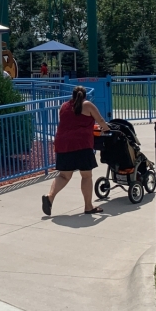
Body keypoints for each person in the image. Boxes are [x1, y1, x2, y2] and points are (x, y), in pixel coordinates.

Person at [42, 85, 110, 216]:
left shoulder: (64, 106)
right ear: (85, 96)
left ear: (72, 95)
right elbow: (100, 120)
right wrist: (106, 129)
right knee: (86, 175)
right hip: (81, 144)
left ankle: (50, 196)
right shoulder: (87, 105)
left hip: (63, 144)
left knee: (64, 176)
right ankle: (88, 206)